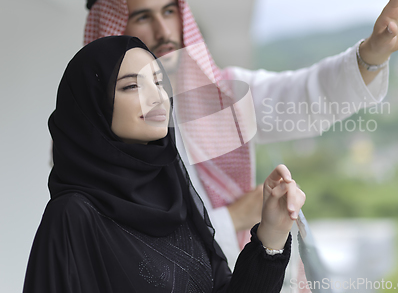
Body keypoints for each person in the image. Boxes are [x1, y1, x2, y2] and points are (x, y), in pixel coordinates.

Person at [84, 0, 398, 268]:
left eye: (169, 11)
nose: (163, 31)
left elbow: (306, 95)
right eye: (143, 17)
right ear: (115, 31)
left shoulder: (225, 96)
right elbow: (130, 252)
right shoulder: (95, 138)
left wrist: (373, 53)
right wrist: (236, 217)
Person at [23, 35, 306, 293]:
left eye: (158, 82)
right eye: (132, 85)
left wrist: (272, 233)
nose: (156, 96)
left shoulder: (174, 196)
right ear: (93, 106)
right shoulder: (72, 215)